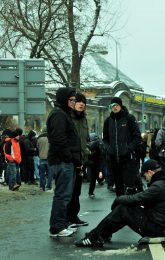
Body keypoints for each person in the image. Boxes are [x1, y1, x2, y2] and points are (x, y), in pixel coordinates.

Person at [74, 159, 165, 247]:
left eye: (145, 174)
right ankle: (102, 234)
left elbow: (137, 198)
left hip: (158, 231)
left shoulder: (158, 186)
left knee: (123, 209)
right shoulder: (164, 183)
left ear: (150, 172)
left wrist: (118, 199)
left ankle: (93, 238)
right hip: (161, 226)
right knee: (126, 208)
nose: (145, 177)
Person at [47, 87, 80, 237]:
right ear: (64, 100)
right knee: (62, 194)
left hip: (65, 161)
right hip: (62, 161)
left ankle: (63, 223)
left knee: (66, 194)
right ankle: (57, 227)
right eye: (71, 100)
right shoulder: (59, 115)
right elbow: (59, 139)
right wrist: (68, 157)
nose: (74, 102)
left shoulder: (63, 114)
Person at [102, 97, 142, 196]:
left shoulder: (129, 118)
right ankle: (120, 208)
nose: (114, 107)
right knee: (118, 186)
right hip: (114, 158)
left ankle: (136, 207)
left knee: (131, 184)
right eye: (112, 106)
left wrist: (128, 149)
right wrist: (108, 149)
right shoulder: (108, 121)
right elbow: (105, 139)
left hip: (128, 157)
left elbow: (137, 137)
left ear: (120, 106)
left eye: (116, 105)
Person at [68, 92, 90, 227]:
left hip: (81, 159)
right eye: (79, 101)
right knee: (68, 191)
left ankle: (73, 216)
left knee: (77, 191)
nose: (82, 104)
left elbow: (85, 140)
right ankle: (65, 217)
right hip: (70, 159)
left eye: (84, 102)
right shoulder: (68, 118)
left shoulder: (84, 119)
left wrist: (87, 151)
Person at [86, 132, 106, 198]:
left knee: (93, 178)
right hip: (93, 162)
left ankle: (91, 192)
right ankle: (91, 192)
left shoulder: (94, 145)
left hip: (94, 162)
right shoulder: (98, 144)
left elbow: (100, 157)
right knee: (93, 178)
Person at [37, 127, 52, 191]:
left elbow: (37, 147)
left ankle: (42, 186)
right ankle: (48, 186)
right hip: (49, 158)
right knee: (50, 173)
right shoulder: (50, 138)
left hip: (41, 158)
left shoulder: (39, 139)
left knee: (42, 174)